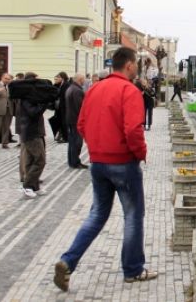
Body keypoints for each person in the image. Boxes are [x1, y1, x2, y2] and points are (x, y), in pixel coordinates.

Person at [54, 47, 157, 292]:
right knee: (132, 215)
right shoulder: (128, 90)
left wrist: (97, 146)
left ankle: (68, 261)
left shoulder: (94, 89)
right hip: (123, 163)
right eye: (136, 65)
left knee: (97, 215)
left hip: (98, 163)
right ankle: (133, 269)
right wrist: (140, 153)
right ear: (130, 65)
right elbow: (133, 129)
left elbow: (81, 124)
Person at [18, 72, 48, 198]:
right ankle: (27, 186)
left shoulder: (30, 95)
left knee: (31, 160)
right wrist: (44, 103)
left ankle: (33, 186)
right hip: (31, 133)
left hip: (34, 132)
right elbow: (33, 113)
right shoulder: (26, 97)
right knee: (40, 160)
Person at [66, 74, 88, 169]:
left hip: (71, 119)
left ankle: (71, 161)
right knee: (77, 142)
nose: (84, 81)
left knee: (72, 141)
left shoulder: (71, 88)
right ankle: (75, 162)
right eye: (83, 79)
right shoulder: (77, 91)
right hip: (76, 120)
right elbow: (80, 107)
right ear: (80, 79)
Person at [0, 73, 14, 149]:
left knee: (6, 127)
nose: (7, 80)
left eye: (9, 79)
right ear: (2, 78)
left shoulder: (10, 87)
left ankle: (5, 143)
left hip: (9, 109)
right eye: (6, 78)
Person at [53, 72, 70, 143]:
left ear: (62, 78)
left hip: (64, 106)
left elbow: (63, 95)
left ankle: (65, 137)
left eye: (58, 77)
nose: (56, 79)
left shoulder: (66, 84)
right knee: (59, 121)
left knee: (64, 122)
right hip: (59, 106)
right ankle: (61, 135)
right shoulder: (59, 85)